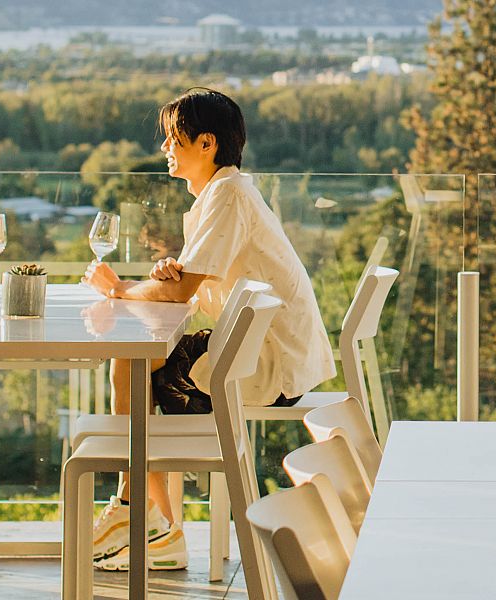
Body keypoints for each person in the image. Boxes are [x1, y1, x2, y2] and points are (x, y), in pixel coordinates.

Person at [82, 88, 335, 571]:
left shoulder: (228, 195)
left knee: (132, 366)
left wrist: (119, 289)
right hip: (262, 354)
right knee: (137, 364)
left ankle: (142, 515)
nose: (165, 148)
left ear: (207, 143)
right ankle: (154, 525)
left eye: (173, 138)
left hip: (265, 369)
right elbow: (188, 286)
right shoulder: (223, 194)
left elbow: (180, 295)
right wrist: (167, 274)